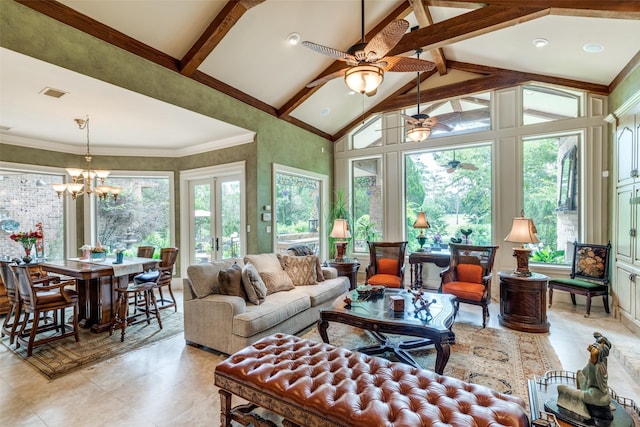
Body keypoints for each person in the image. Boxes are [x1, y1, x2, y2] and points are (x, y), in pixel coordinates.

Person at [557, 332, 613, 421]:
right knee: (579, 375)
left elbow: (589, 379)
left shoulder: (596, 366)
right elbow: (584, 373)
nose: (591, 351)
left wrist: (600, 344)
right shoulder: (600, 362)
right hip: (599, 394)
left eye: (593, 351)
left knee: (562, 389)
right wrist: (601, 342)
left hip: (594, 395)